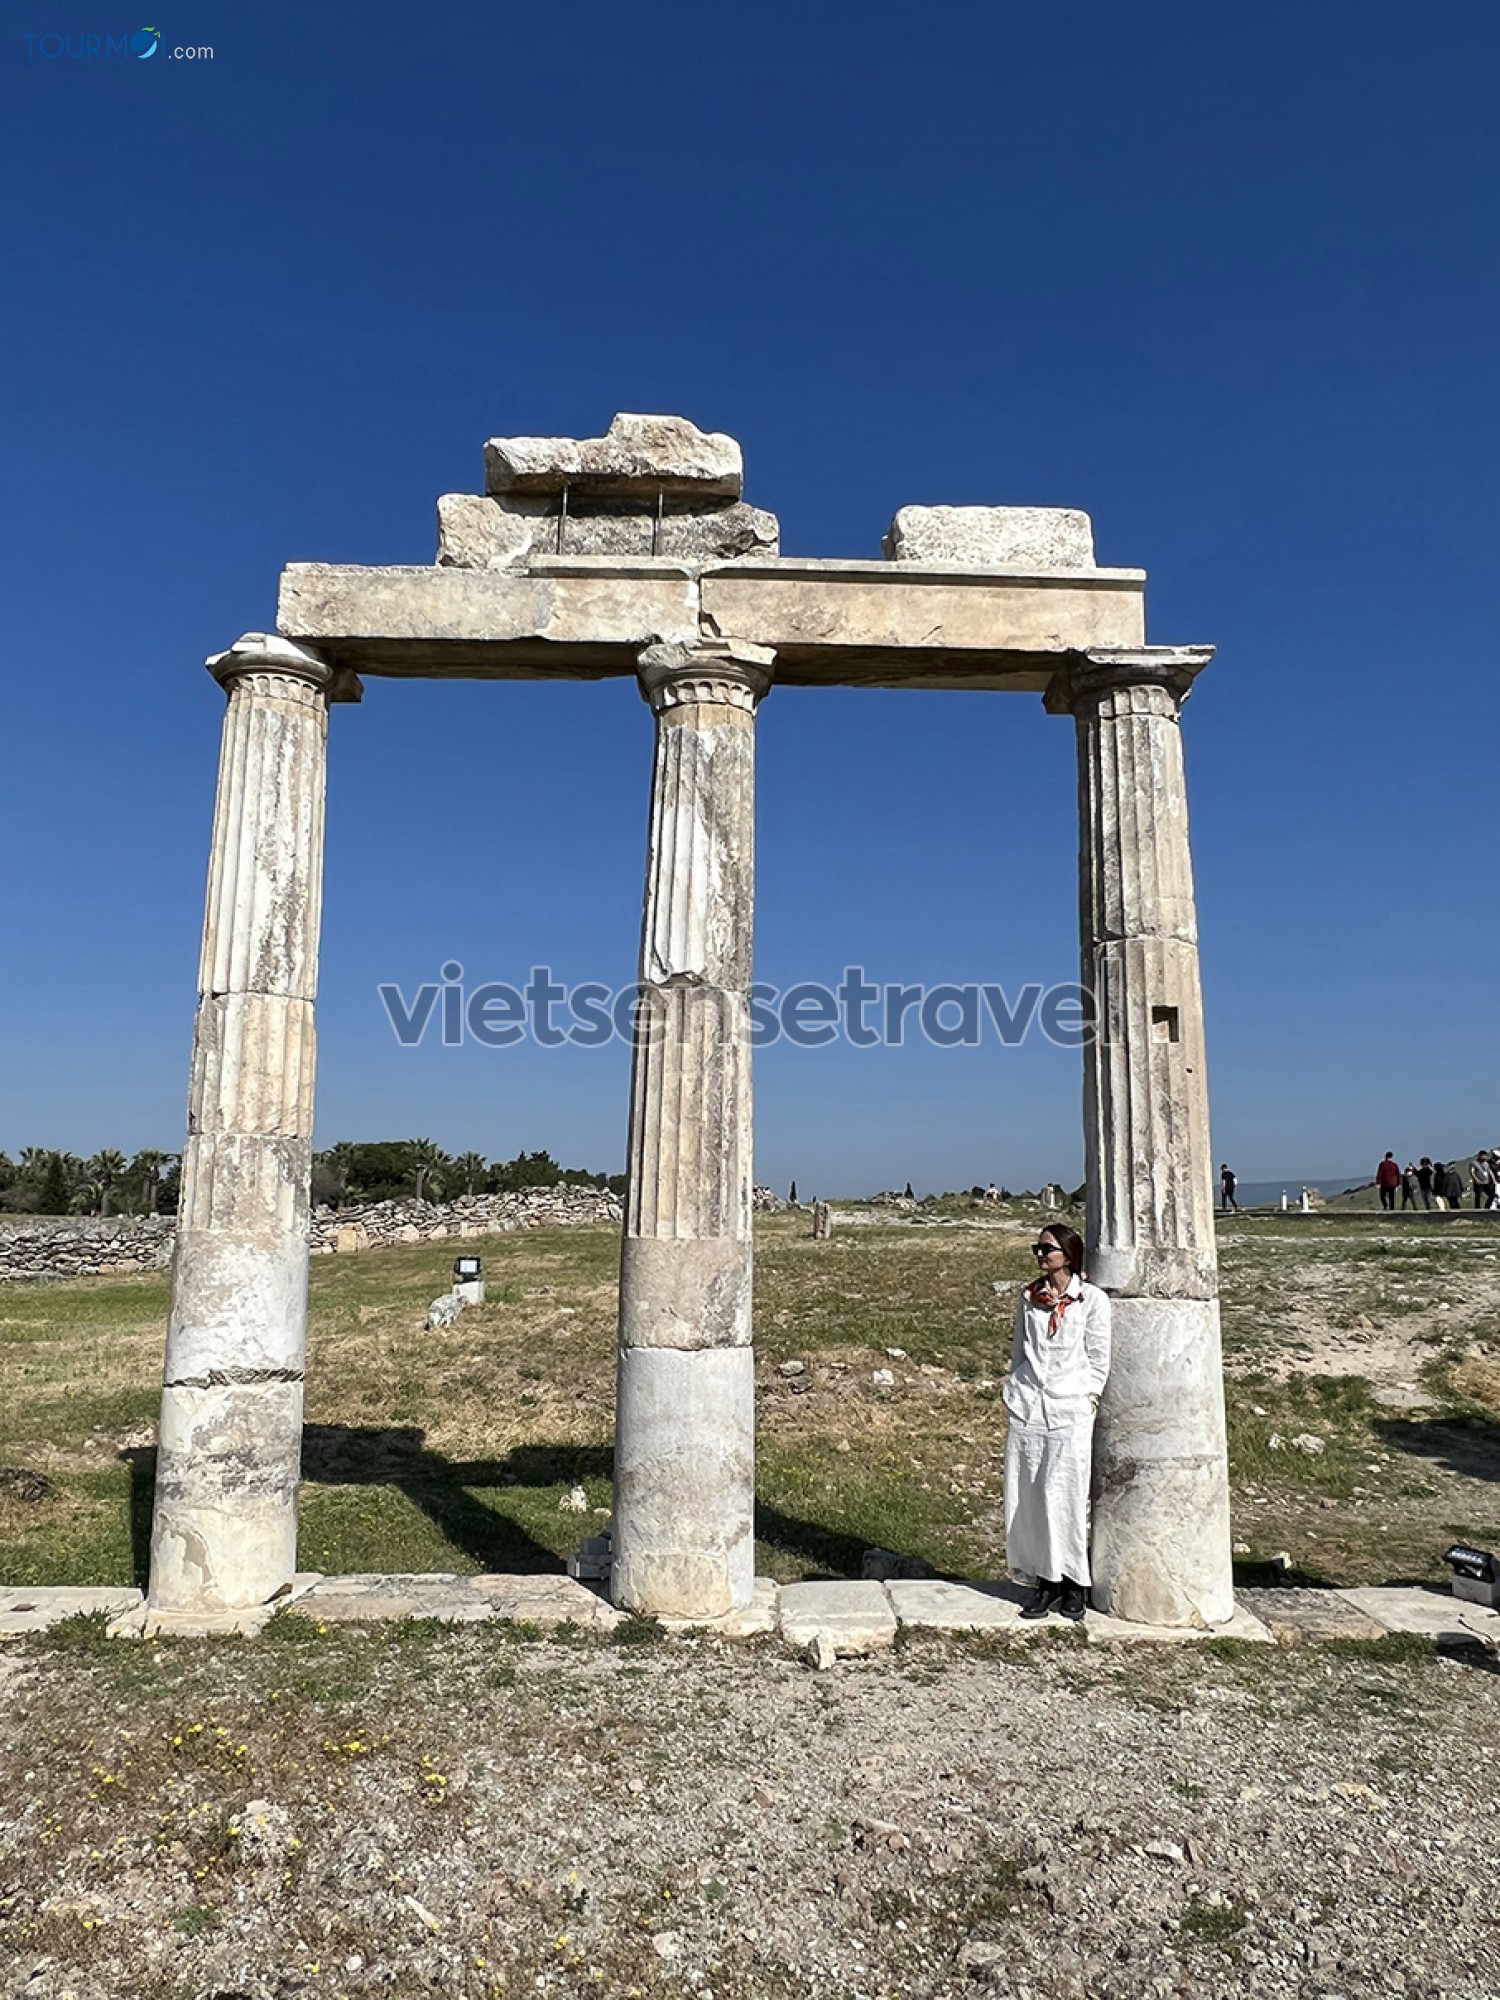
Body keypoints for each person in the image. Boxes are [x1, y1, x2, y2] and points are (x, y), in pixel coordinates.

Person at [1002, 1223, 1112, 1622]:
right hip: (1029, 1405)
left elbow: (1099, 1357)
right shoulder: (1029, 1297)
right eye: (1037, 1248)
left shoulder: (1092, 1301)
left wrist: (1088, 1399)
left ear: (1068, 1254)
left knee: (1065, 1494)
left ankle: (1073, 1582)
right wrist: (1014, 1391)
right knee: (1029, 1495)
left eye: (1047, 1249)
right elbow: (1019, 1349)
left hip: (1069, 1408)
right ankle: (1043, 1580)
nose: (1040, 1255)